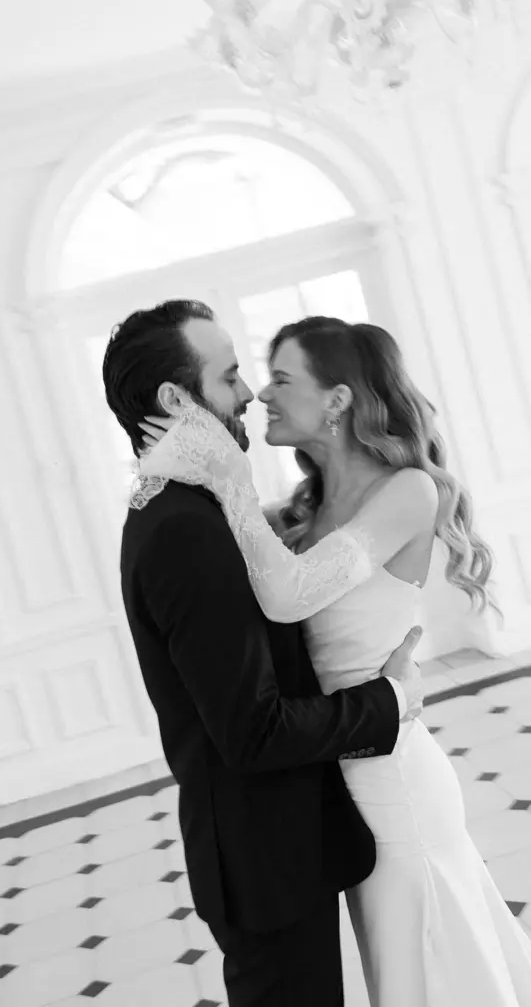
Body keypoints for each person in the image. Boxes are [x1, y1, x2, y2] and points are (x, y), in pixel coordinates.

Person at [138, 313, 531, 1007]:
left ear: (337, 400)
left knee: (432, 970)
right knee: (399, 974)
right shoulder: (304, 510)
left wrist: (230, 478)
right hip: (338, 776)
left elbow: (287, 597)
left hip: (392, 780)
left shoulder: (407, 490)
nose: (260, 394)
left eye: (281, 379)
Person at [102, 300, 423, 1007]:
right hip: (263, 857)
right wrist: (389, 699)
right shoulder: (183, 526)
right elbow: (254, 733)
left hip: (289, 841)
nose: (249, 392)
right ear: (176, 400)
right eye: (230, 376)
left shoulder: (194, 507)